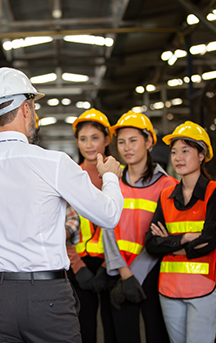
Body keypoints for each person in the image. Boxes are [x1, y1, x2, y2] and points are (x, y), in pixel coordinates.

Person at [0, 67, 124, 343]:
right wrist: (110, 176)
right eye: (34, 107)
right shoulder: (54, 163)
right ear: (26, 108)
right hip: (48, 300)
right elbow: (109, 215)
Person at [145, 121, 216, 343]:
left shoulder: (215, 193)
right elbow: (151, 244)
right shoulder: (166, 195)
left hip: (204, 286)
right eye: (174, 152)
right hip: (169, 289)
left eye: (186, 151)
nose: (178, 158)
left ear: (202, 154)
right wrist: (185, 238)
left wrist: (169, 244)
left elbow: (210, 242)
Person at [103, 111, 177, 343]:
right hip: (119, 274)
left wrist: (136, 273)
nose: (127, 148)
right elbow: (107, 230)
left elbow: (163, 237)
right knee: (125, 336)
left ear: (148, 142)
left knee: (158, 334)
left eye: (133, 140)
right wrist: (125, 274)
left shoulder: (167, 186)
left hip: (155, 273)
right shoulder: (112, 183)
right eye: (122, 142)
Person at [69, 108, 117, 343]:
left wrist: (109, 264)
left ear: (107, 139)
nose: (89, 145)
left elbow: (124, 226)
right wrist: (78, 268)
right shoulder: (70, 177)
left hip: (114, 265)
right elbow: (61, 229)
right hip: (80, 268)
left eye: (95, 138)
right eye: (83, 138)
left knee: (114, 330)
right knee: (84, 331)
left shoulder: (120, 176)